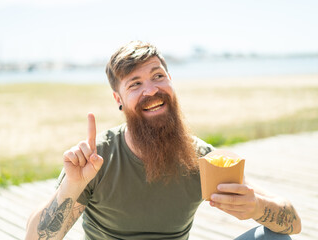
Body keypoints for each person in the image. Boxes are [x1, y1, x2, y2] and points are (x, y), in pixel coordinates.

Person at [25, 41, 301, 240]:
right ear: (118, 100)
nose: (152, 90)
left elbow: (293, 222)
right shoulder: (97, 158)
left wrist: (256, 207)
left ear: (171, 81)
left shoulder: (201, 157)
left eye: (158, 76)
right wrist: (72, 186)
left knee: (273, 238)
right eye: (135, 84)